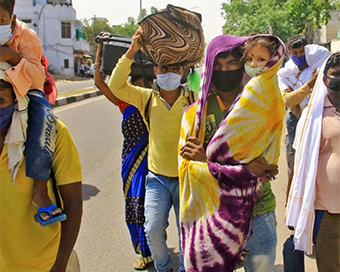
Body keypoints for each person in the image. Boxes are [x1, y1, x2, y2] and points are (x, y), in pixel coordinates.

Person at [179, 34, 285, 272]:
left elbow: (268, 162)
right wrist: (244, 170)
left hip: (259, 211)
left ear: (243, 65)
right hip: (213, 218)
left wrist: (207, 162)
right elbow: (188, 169)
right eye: (217, 65)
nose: (224, 70)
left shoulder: (264, 106)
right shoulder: (195, 115)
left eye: (231, 64)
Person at [109, 28, 196, 272]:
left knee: (184, 232)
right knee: (152, 229)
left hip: (186, 178)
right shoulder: (146, 98)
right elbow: (115, 85)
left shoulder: (193, 98)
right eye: (164, 68)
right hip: (156, 177)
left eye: (176, 69)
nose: (169, 73)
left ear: (183, 72)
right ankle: (163, 268)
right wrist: (132, 50)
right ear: (155, 70)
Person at [0, 62, 83, 272]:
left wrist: (60, 262)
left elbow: (73, 201)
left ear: (17, 95)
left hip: (45, 264)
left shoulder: (52, 133)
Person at [0, 0, 63, 225]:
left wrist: (11, 57)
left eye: (0, 20)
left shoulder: (26, 36)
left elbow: (38, 78)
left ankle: (39, 188)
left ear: (12, 16)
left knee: (44, 116)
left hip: (23, 88)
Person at [94, 40, 154, 271]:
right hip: (130, 163)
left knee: (151, 208)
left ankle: (154, 243)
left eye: (142, 84)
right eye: (134, 84)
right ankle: (143, 251)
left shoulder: (154, 101)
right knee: (134, 205)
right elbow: (99, 82)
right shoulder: (123, 102)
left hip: (152, 162)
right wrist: (99, 50)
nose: (137, 87)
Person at [286, 52, 340, 272]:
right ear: (325, 79)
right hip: (327, 213)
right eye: (336, 74)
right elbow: (299, 166)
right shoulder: (312, 116)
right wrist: (292, 210)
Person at [278, 35, 330, 178]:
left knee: (320, 162)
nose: (299, 55)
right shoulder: (285, 73)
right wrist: (310, 85)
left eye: (302, 52)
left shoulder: (318, 67)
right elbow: (288, 101)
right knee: (295, 165)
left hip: (319, 118)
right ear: (290, 53)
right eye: (295, 53)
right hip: (296, 119)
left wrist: (296, 93)